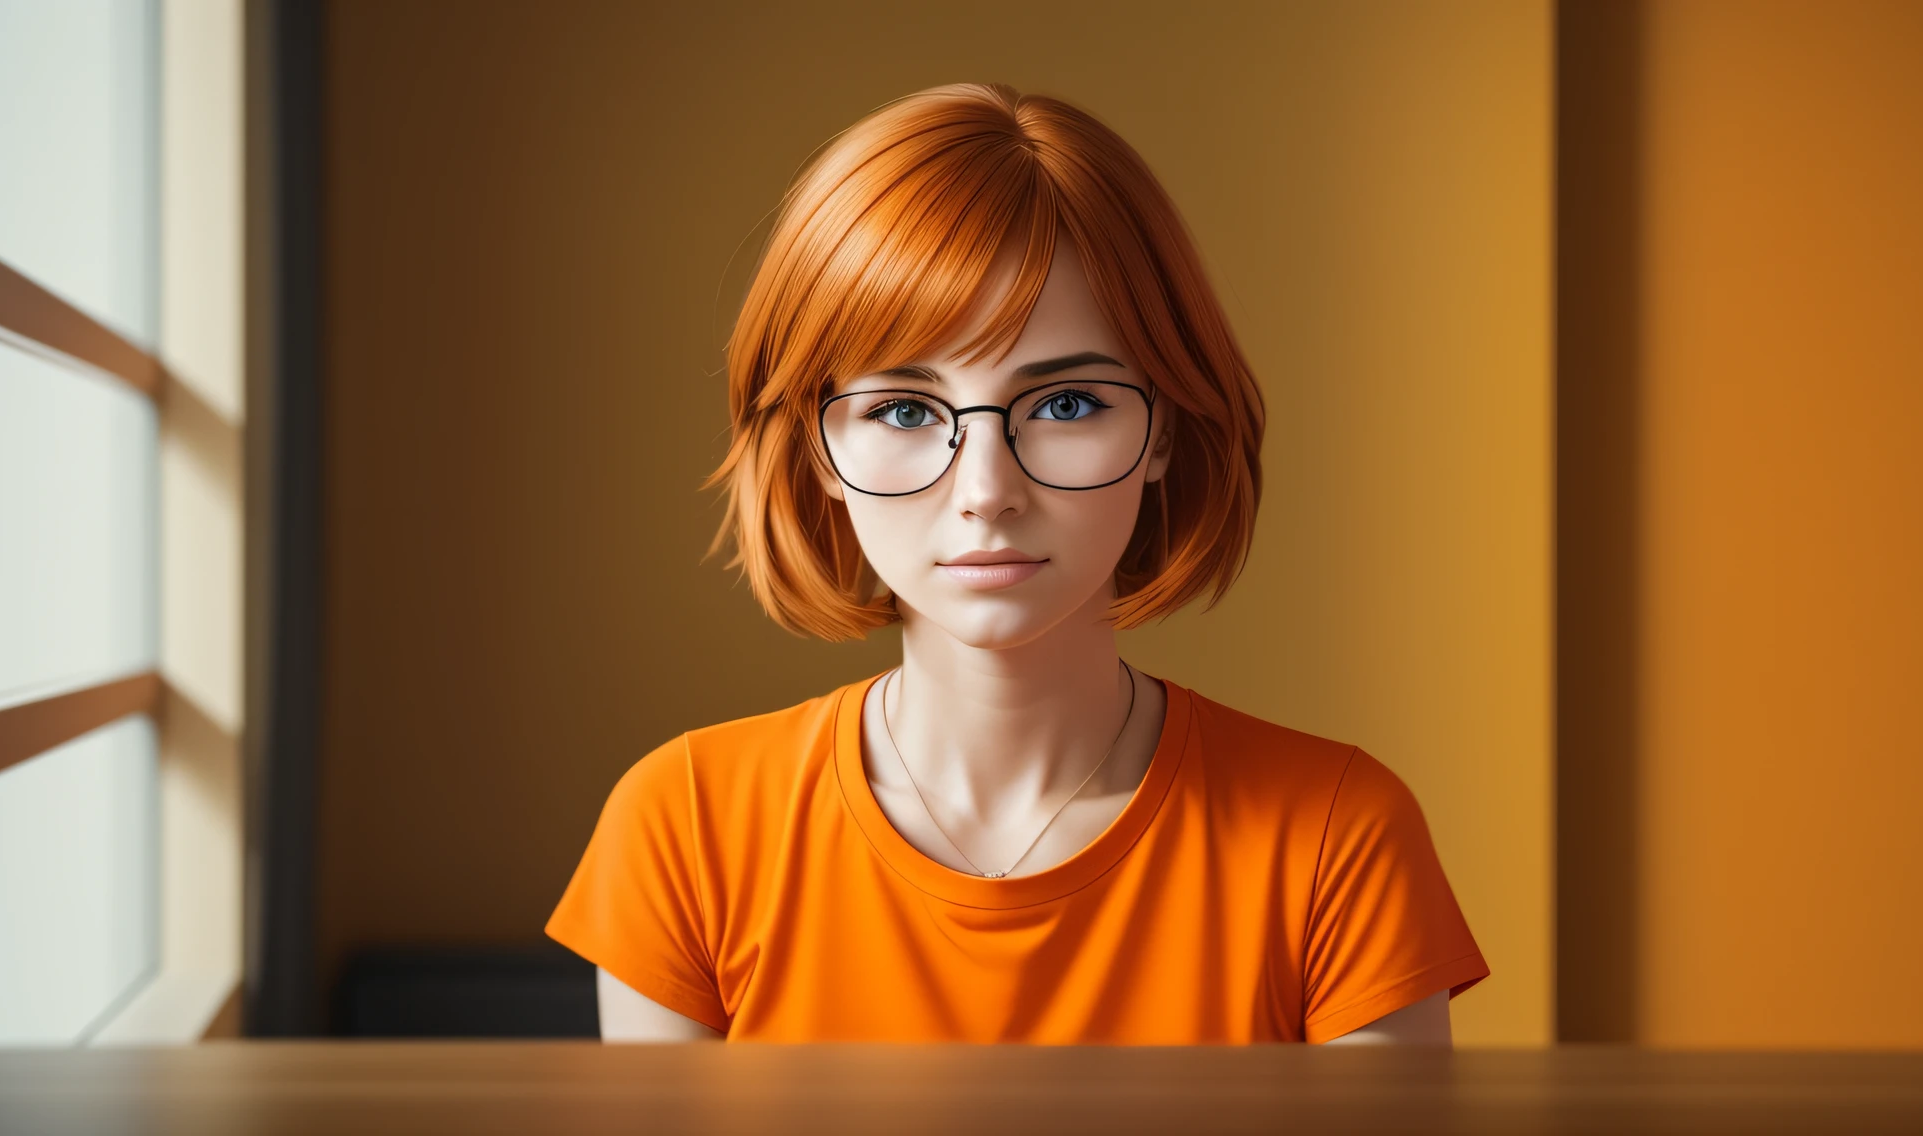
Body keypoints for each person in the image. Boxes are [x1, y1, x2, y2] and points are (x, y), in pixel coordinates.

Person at [547, 83, 1487, 1044]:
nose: (985, 490)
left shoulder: (1337, 837)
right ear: (819, 449)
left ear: (1164, 427)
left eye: (1068, 403)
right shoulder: (686, 825)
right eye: (906, 411)